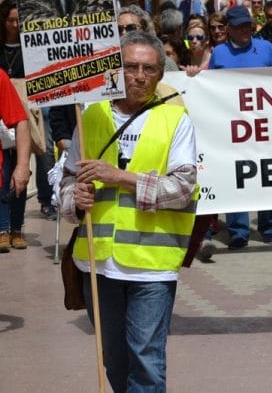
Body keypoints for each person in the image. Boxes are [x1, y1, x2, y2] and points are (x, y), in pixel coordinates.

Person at [59, 31, 198, 392]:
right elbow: (65, 188)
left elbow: (183, 189)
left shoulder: (175, 121)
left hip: (151, 266)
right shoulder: (90, 116)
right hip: (96, 261)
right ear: (115, 70)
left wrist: (119, 177)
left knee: (147, 360)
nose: (138, 75)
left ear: (160, 75)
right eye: (130, 66)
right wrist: (76, 198)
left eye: (148, 68)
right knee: (114, 360)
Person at [206, 6, 272, 250]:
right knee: (236, 178)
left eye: (247, 25)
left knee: (268, 176)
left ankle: (268, 227)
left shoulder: (267, 49)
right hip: (233, 128)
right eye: (238, 26)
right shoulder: (219, 53)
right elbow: (208, 89)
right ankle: (238, 231)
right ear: (228, 29)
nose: (244, 30)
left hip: (265, 125)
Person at [0, 0, 29, 249]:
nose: (15, 24)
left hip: (26, 113)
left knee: (19, 171)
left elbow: (21, 121)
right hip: (4, 118)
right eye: (10, 20)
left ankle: (16, 228)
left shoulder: (29, 46)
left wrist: (23, 164)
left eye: (19, 19)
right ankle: (3, 229)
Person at [0, 68, 30, 252]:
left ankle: (12, 230)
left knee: (12, 189)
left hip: (8, 152)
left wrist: (23, 165)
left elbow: (20, 120)